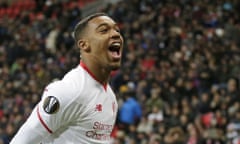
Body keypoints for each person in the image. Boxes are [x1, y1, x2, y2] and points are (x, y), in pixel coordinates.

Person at [10, 12, 124, 144]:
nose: (116, 34)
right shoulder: (70, 90)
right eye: (104, 30)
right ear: (84, 45)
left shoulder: (110, 97)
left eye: (117, 30)